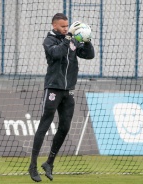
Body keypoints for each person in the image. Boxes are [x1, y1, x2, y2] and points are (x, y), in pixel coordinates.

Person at [28, 13, 95, 182]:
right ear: (54, 26)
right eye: (63, 27)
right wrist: (69, 38)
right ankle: (32, 166)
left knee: (65, 127)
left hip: (68, 90)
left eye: (67, 26)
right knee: (44, 125)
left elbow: (89, 55)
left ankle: (49, 163)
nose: (66, 29)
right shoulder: (49, 40)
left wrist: (87, 40)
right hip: (53, 88)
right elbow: (57, 54)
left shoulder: (71, 40)